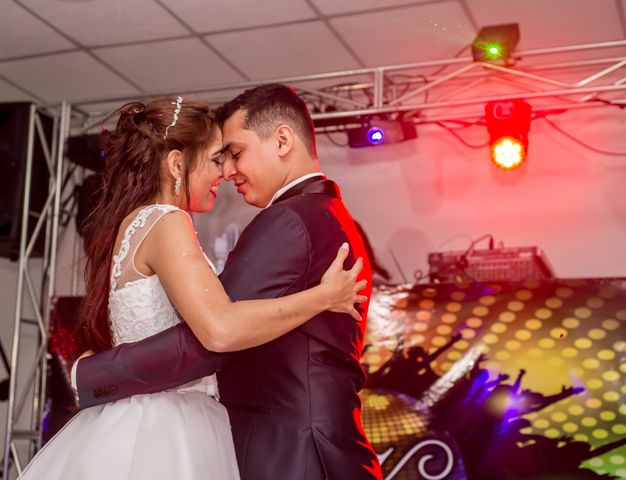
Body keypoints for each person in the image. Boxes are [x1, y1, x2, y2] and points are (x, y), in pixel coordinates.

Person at [17, 97, 367, 479]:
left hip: (164, 419)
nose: (226, 171)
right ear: (176, 163)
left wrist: (96, 374)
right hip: (167, 424)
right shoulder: (167, 221)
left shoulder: (146, 222)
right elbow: (219, 327)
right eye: (218, 158)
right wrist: (323, 297)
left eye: (232, 155)